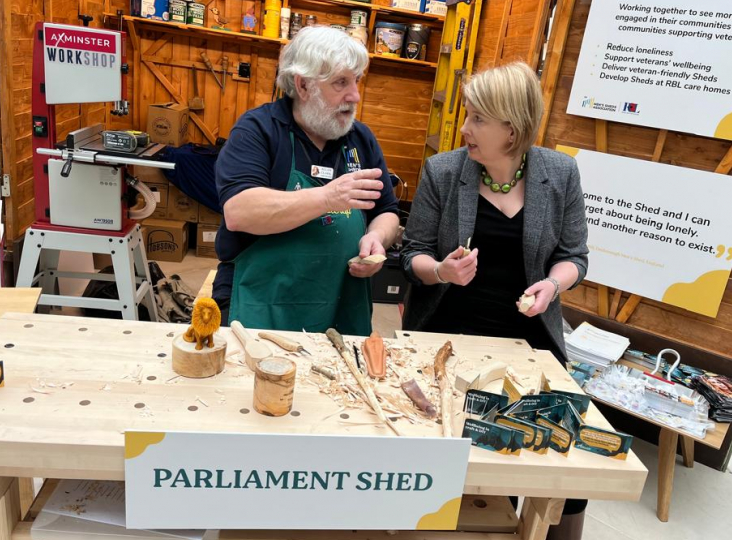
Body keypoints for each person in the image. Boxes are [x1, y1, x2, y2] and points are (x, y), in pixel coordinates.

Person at [400, 62, 589, 540]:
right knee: (442, 450)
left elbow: (574, 257)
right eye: (468, 115)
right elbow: (412, 254)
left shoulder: (560, 174)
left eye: (478, 118)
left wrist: (552, 285)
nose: (465, 128)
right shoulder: (444, 171)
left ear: (513, 126)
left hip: (528, 341)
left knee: (558, 465)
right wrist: (441, 270)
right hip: (448, 330)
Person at [212, 26, 400, 335]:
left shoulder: (361, 139)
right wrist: (327, 198)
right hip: (262, 305)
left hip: (342, 303)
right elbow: (239, 211)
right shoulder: (259, 130)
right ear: (303, 86)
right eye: (341, 82)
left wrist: (377, 238)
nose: (354, 96)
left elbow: (387, 210)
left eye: (357, 81)